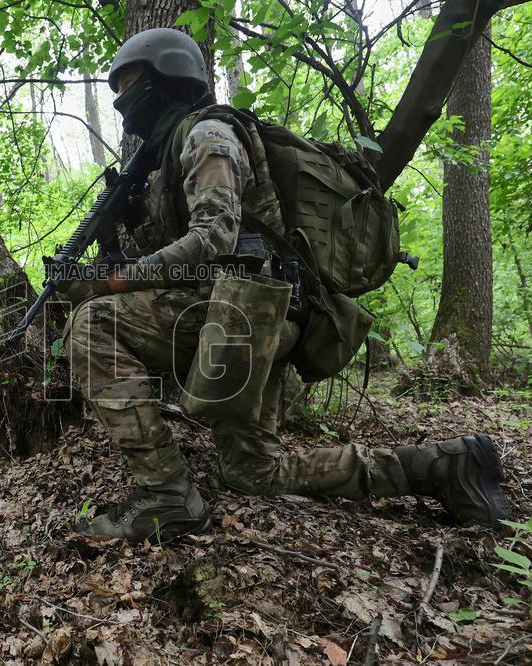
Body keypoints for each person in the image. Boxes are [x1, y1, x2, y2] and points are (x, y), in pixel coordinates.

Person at [58, 28, 508, 543]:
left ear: (165, 79)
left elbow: (213, 235)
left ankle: (164, 495)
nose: (120, 100)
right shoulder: (163, 160)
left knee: (93, 324)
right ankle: (441, 467)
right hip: (249, 315)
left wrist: (114, 281)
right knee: (253, 473)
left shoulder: (208, 135)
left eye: (130, 83)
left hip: (244, 313)